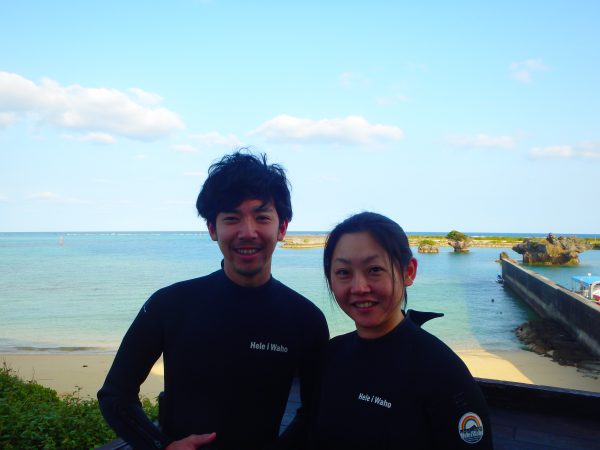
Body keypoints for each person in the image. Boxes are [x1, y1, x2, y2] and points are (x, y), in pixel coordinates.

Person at [98, 151, 329, 450]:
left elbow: (314, 412)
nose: (248, 232)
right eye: (231, 218)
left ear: (282, 228)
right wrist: (162, 446)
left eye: (262, 218)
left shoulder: (305, 320)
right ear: (212, 228)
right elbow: (115, 395)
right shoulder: (170, 305)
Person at [310, 212, 492, 449]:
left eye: (374, 269)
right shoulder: (331, 354)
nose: (359, 287)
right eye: (343, 272)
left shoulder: (443, 372)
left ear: (409, 272)